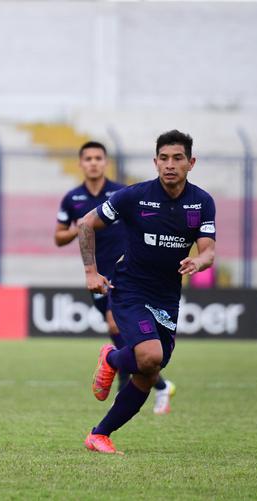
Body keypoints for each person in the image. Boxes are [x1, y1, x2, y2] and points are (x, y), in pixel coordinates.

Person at [77, 130, 216, 454]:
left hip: (167, 295)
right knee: (149, 355)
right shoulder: (133, 197)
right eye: (164, 158)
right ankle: (113, 358)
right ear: (155, 162)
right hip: (130, 288)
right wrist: (90, 271)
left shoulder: (202, 201)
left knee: (152, 367)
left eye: (177, 158)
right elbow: (86, 224)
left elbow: (209, 250)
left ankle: (100, 433)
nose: (170, 165)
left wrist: (199, 261)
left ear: (191, 163)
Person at [55, 142, 175, 411]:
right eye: (88, 158)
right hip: (96, 273)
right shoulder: (72, 198)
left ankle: (136, 382)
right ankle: (157, 384)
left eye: (99, 158)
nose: (94, 163)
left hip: (126, 272)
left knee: (115, 324)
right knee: (121, 334)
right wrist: (84, 224)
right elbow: (59, 237)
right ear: (81, 163)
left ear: (105, 162)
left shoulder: (121, 193)